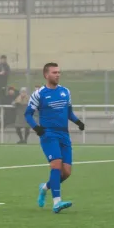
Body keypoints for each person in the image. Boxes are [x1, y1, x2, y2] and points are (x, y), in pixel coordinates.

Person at [25, 63, 85, 214]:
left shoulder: (65, 91)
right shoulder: (39, 94)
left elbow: (69, 113)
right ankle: (57, 202)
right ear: (46, 75)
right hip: (48, 134)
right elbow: (28, 114)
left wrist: (78, 122)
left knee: (67, 172)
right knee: (56, 164)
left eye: (59, 72)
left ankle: (45, 187)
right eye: (54, 72)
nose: (57, 75)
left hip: (64, 134)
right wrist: (37, 128)